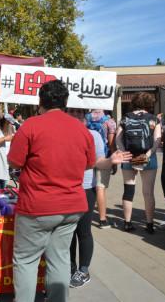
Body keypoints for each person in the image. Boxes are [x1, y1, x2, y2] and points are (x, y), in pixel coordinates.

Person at [8, 80, 94, 302]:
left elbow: (15, 161)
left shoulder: (31, 125)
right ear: (65, 102)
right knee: (60, 259)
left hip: (37, 206)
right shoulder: (81, 129)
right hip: (71, 206)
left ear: (40, 102)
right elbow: (89, 163)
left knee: (26, 260)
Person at [67, 108, 132, 288]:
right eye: (73, 112)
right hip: (65, 189)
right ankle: (70, 267)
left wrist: (111, 160)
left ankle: (84, 270)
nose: (78, 116)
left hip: (86, 188)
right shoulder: (61, 134)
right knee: (68, 232)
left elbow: (97, 161)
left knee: (84, 231)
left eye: (81, 113)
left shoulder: (93, 135)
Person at [116, 92, 161, 233]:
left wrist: (124, 153)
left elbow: (118, 138)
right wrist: (147, 154)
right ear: (148, 103)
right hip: (148, 157)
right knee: (148, 193)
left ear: (134, 102)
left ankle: (127, 223)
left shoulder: (126, 118)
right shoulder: (154, 119)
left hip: (129, 156)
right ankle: (149, 224)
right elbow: (157, 140)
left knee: (128, 191)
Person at [85, 109, 117, 228]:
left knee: (88, 185)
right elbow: (111, 143)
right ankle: (102, 219)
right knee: (100, 187)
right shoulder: (109, 121)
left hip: (87, 156)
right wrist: (113, 162)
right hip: (103, 157)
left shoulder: (86, 117)